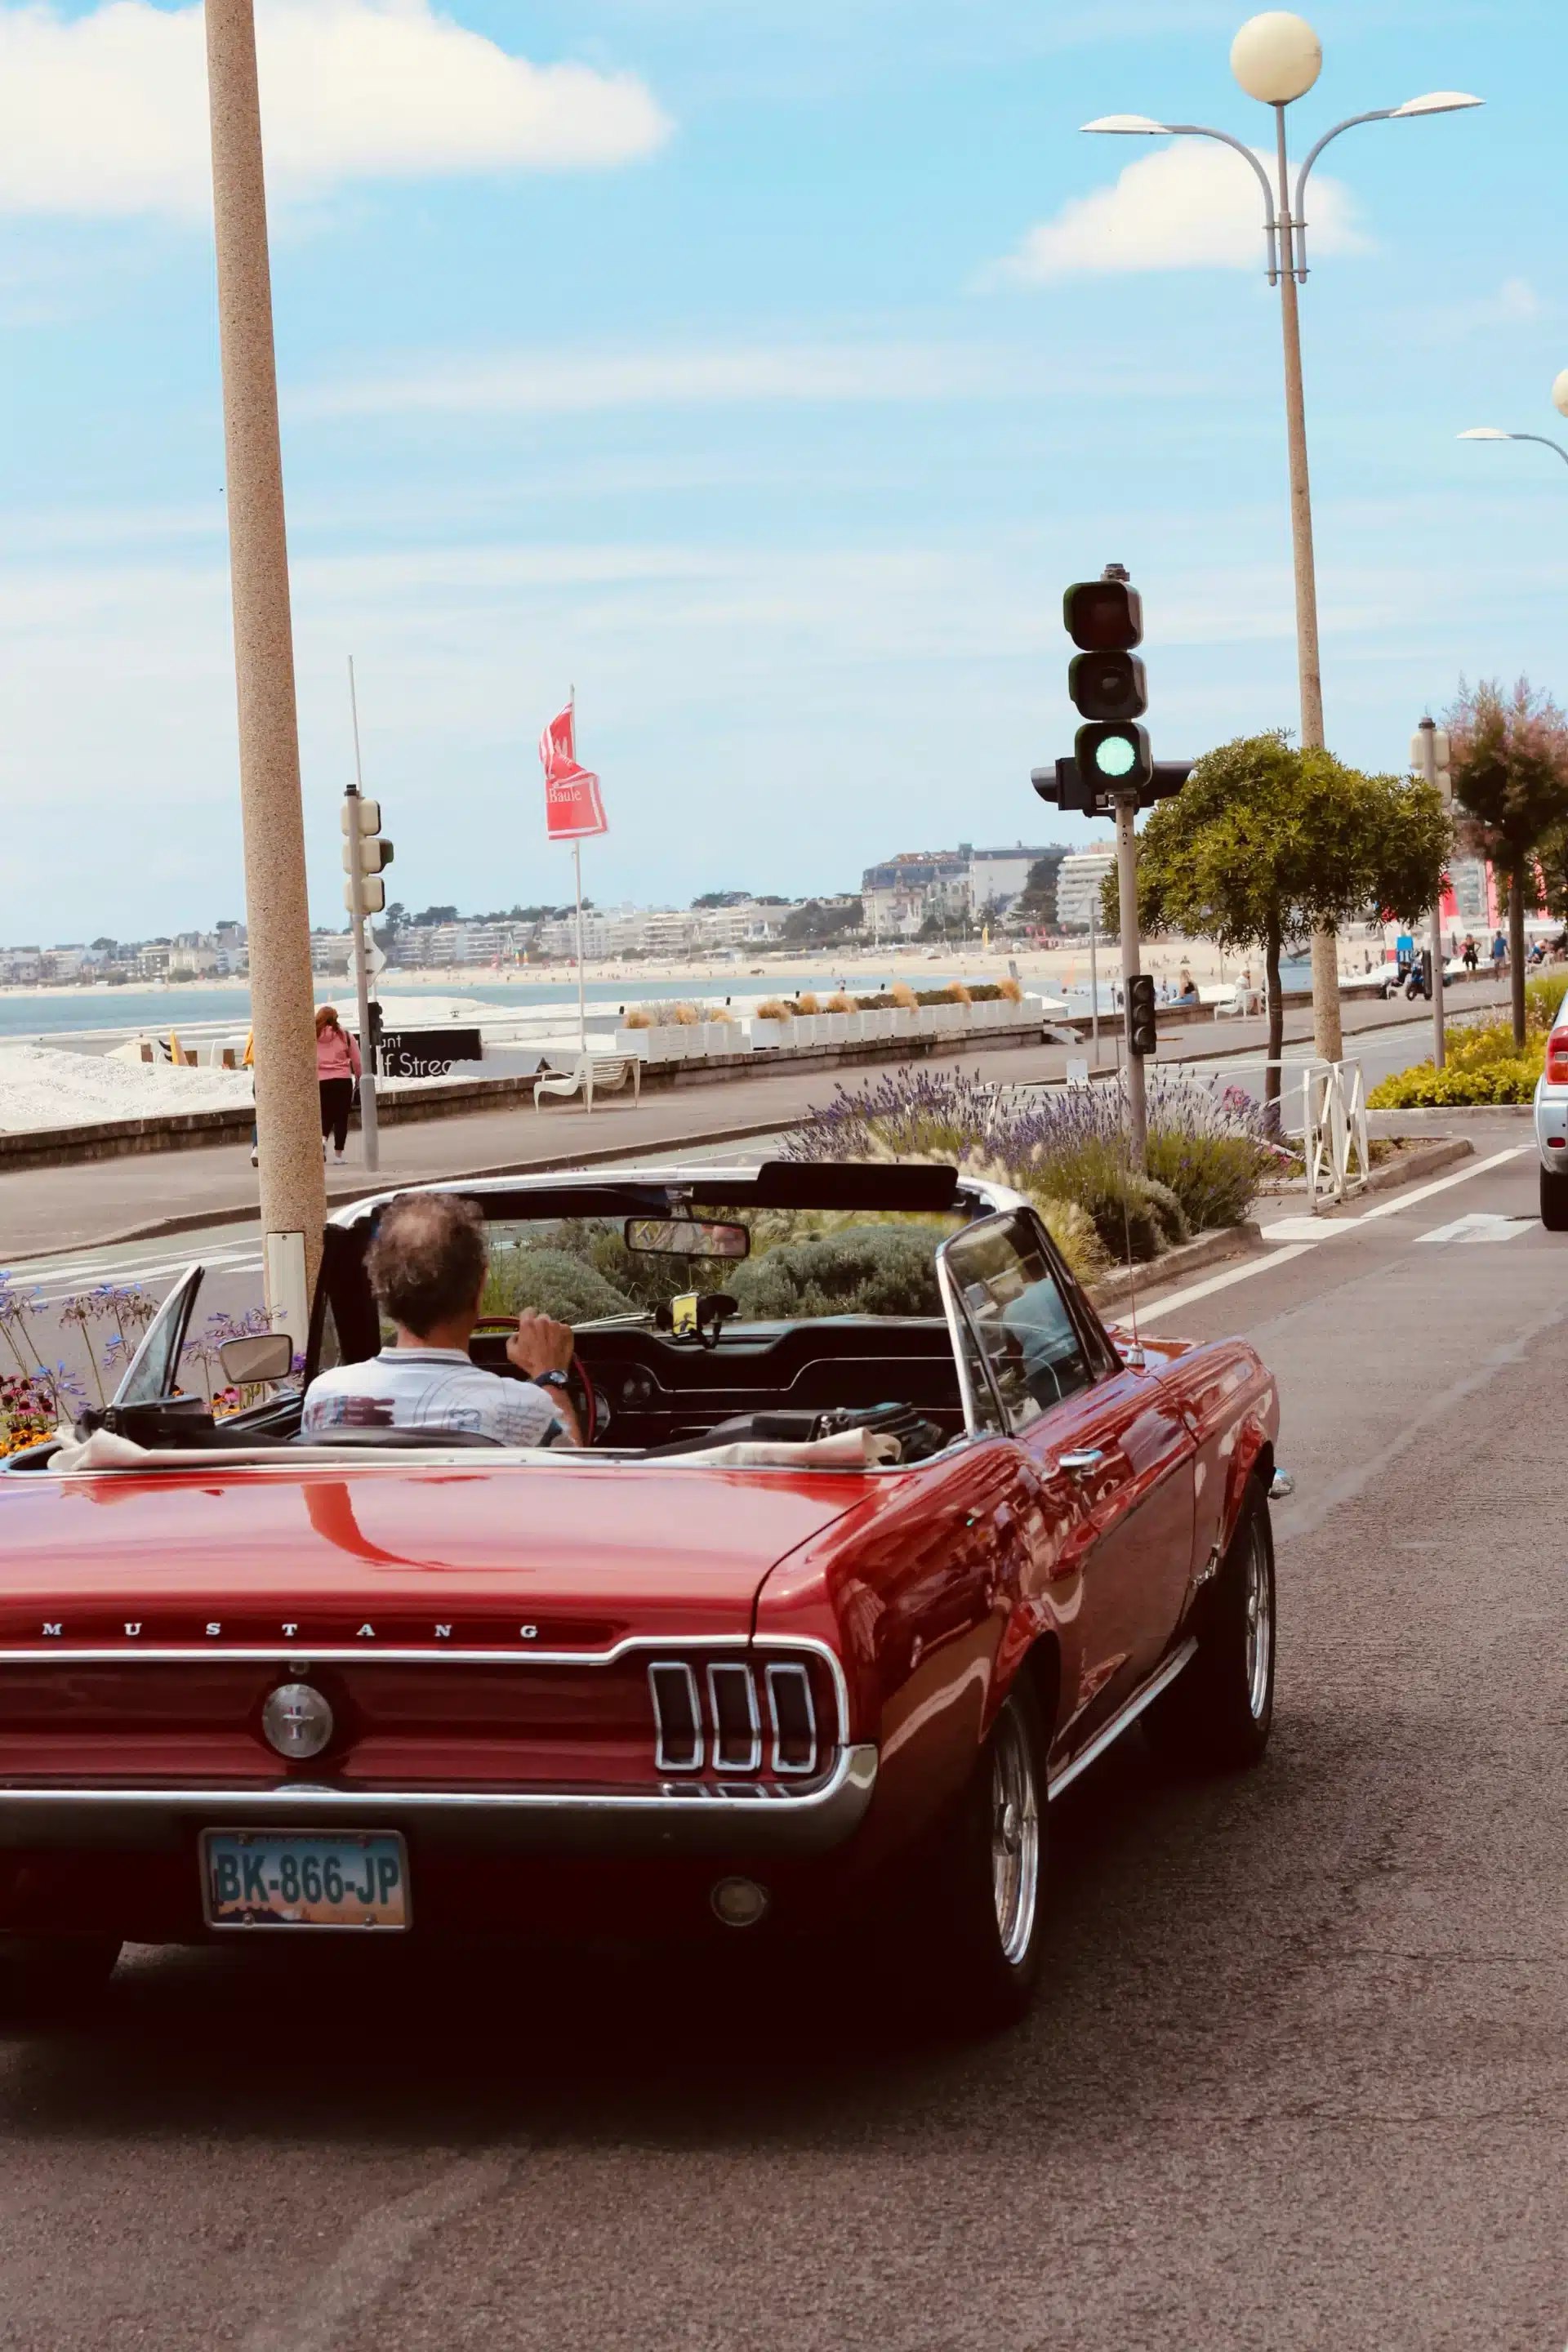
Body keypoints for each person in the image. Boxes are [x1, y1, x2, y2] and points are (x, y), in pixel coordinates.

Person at [301, 1191, 582, 1446]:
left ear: (380, 1286)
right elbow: (579, 1489)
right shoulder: (525, 1409)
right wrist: (550, 1377)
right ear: (480, 1285)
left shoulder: (325, 1398)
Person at [315, 1004, 362, 1162]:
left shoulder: (312, 1037)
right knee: (341, 1117)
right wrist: (360, 1078)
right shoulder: (345, 1036)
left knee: (324, 1114)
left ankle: (322, 1140)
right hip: (342, 1080)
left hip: (321, 1080)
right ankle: (338, 1155)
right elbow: (357, 1061)